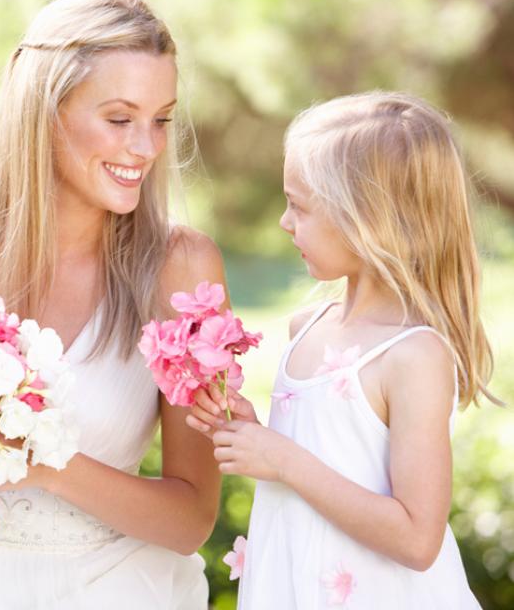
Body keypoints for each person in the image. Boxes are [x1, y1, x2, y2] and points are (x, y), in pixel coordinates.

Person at [0, 0, 223, 609]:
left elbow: (190, 521)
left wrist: (48, 464)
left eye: (161, 119)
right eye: (120, 119)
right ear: (43, 109)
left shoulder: (179, 267)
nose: (146, 148)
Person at [189, 92, 493, 608]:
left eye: (300, 206)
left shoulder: (413, 355)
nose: (286, 222)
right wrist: (252, 435)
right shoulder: (307, 327)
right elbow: (323, 453)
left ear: (367, 218)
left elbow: (419, 540)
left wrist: (283, 460)